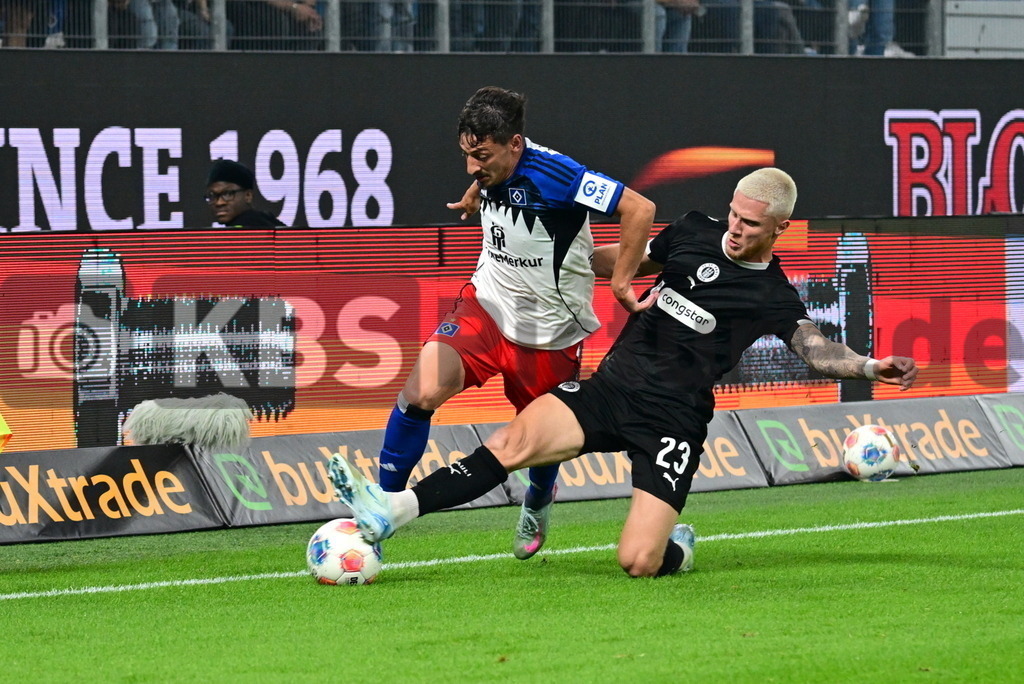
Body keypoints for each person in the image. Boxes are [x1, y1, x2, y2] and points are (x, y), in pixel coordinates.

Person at [328, 167, 919, 578]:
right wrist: (555, 257)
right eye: (734, 216)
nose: (736, 231)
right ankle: (395, 510)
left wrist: (868, 365)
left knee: (637, 561)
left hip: (672, 422)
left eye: (751, 226)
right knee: (512, 441)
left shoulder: (771, 293)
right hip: (610, 392)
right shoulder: (693, 229)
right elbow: (625, 260)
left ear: (780, 230)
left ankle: (674, 550)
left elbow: (815, 348)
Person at [373, 86, 656, 560]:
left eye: (481, 156)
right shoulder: (491, 167)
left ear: (515, 144)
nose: (470, 167)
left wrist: (623, 282)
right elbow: (493, 179)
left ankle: (539, 499)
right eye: (465, 155)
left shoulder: (559, 175)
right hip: (486, 305)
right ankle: (379, 516)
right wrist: (478, 187)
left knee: (540, 439)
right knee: (419, 392)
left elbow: (639, 209)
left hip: (550, 333)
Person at [206, 159, 285, 228]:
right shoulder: (267, 223)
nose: (219, 203)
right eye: (213, 196)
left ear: (248, 196)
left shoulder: (246, 232)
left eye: (228, 194)